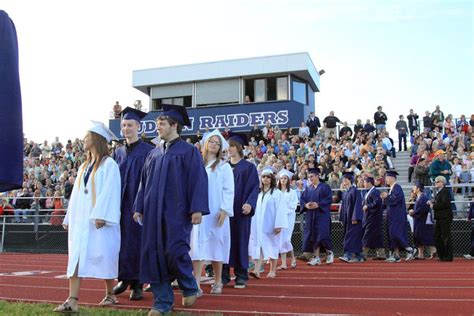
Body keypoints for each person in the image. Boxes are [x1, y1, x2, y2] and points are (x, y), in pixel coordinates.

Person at [133, 104, 209, 314]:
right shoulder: (153, 153)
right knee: (152, 256)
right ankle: (162, 303)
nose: (158, 127)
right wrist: (139, 206)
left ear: (175, 125)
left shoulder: (188, 152)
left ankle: (188, 285)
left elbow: (198, 181)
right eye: (158, 124)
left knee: (175, 251)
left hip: (177, 212)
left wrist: (197, 209)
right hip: (152, 213)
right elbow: (143, 182)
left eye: (162, 124)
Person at [54, 121, 121, 313]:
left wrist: (102, 215)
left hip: (99, 221)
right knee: (75, 257)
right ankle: (72, 300)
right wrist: (69, 218)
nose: (83, 139)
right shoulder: (84, 166)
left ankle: (110, 294)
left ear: (96, 139)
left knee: (103, 255)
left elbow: (111, 191)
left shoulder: (109, 165)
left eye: (87, 136)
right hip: (81, 221)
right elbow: (76, 194)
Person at [112, 107, 153, 301]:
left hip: (138, 204)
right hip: (120, 204)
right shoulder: (118, 152)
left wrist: (143, 205)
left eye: (130, 125)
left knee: (138, 243)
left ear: (139, 126)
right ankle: (124, 278)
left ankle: (137, 283)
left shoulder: (149, 151)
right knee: (121, 242)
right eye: (124, 125)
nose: (126, 128)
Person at [190, 130, 234, 295]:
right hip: (199, 211)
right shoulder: (196, 164)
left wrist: (225, 209)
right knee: (197, 246)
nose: (214, 144)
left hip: (216, 212)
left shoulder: (223, 166)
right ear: (205, 144)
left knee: (216, 245)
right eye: (212, 141)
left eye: (217, 142)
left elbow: (229, 190)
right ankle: (196, 283)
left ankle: (217, 281)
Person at [222, 132, 259, 289]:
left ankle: (241, 276)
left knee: (240, 242)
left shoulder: (248, 167)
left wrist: (250, 204)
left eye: (231, 146)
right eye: (228, 146)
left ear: (238, 148)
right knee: (223, 242)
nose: (229, 149)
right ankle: (222, 276)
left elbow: (253, 188)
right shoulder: (223, 167)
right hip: (224, 212)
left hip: (240, 212)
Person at [248, 167, 288, 279]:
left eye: (268, 177)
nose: (265, 179)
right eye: (263, 177)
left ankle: (272, 270)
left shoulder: (277, 193)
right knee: (257, 246)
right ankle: (256, 270)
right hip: (257, 224)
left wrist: (279, 224)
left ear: (272, 179)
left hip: (271, 224)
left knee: (272, 246)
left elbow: (281, 210)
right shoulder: (258, 193)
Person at [299, 168, 334, 266]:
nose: (310, 178)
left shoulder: (325, 187)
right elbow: (302, 200)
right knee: (313, 236)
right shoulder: (308, 188)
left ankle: (329, 252)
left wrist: (318, 204)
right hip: (311, 216)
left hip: (322, 215)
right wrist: (306, 205)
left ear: (317, 176)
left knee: (322, 235)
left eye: (312, 176)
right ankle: (316, 257)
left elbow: (329, 199)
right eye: (309, 177)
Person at [381, 171, 417, 263]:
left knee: (396, 233)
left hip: (397, 216)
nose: (386, 179)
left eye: (388, 178)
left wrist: (387, 196)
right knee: (392, 235)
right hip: (392, 216)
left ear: (393, 178)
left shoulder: (397, 187)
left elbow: (395, 199)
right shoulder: (392, 188)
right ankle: (396, 255)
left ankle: (409, 249)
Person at [338, 172, 364, 263]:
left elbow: (357, 205)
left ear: (350, 180)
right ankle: (359, 256)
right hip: (347, 219)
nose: (343, 181)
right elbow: (343, 207)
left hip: (353, 219)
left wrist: (355, 217)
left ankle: (347, 255)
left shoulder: (355, 191)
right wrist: (342, 218)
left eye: (345, 179)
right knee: (353, 237)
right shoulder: (345, 193)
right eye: (343, 180)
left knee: (350, 237)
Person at [277, 169, 299, 269]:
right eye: (281, 178)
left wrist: (283, 209)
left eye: (285, 178)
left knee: (286, 239)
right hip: (278, 218)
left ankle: (293, 259)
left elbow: (293, 206)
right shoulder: (276, 192)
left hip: (288, 217)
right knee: (280, 239)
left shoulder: (292, 192)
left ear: (288, 180)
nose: (283, 180)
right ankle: (284, 263)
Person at [408, 182, 436, 259]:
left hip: (422, 220)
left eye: (414, 187)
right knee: (419, 237)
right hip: (418, 219)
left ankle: (432, 250)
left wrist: (413, 213)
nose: (413, 189)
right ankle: (421, 254)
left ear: (418, 188)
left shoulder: (423, 198)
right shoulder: (419, 197)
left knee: (422, 236)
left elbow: (423, 209)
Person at [429, 176, 453, 262]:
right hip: (440, 217)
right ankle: (442, 255)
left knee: (446, 237)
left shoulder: (445, 191)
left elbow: (445, 204)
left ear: (442, 182)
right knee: (437, 236)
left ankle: (448, 256)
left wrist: (433, 206)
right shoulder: (440, 192)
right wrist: (433, 203)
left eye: (437, 181)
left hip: (444, 217)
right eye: (435, 181)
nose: (436, 183)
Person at [362, 176, 385, 260]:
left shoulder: (375, 192)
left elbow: (377, 203)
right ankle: (381, 253)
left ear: (369, 183)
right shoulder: (368, 192)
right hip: (369, 216)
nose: (363, 184)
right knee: (376, 236)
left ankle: (363, 253)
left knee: (367, 235)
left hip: (373, 217)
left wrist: (367, 206)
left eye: (364, 182)